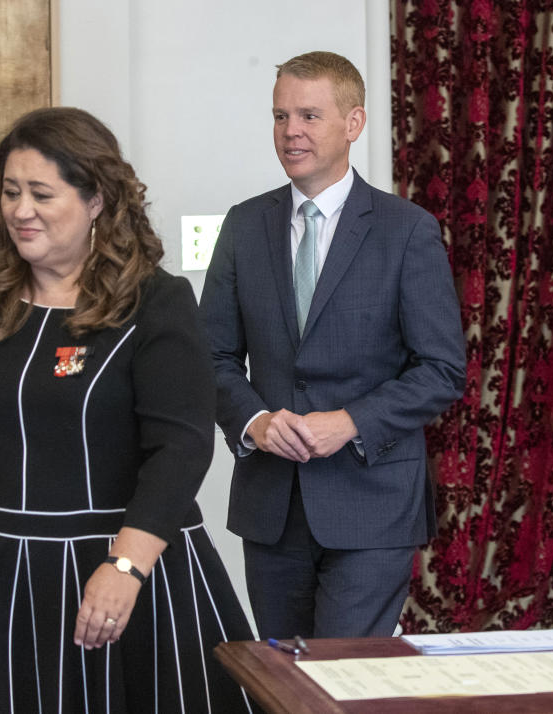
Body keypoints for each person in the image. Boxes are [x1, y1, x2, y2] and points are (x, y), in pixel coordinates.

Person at [0, 107, 255, 713]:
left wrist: (125, 568)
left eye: (41, 193)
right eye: (11, 192)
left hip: (123, 577)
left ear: (96, 200)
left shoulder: (158, 302)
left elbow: (181, 449)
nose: (20, 209)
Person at [200, 51, 466, 641]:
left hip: (374, 504)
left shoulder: (407, 229)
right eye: (280, 116)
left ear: (354, 123)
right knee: (282, 686)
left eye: (309, 116)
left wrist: (350, 421)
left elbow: (443, 369)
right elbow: (210, 357)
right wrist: (257, 421)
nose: (291, 131)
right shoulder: (243, 226)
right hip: (271, 508)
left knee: (339, 684)